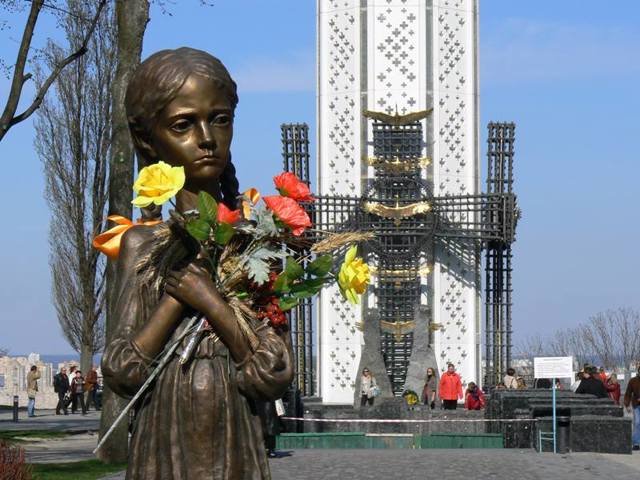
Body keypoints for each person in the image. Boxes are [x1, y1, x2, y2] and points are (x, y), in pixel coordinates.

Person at [101, 48, 294, 479]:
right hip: (163, 436)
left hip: (235, 435)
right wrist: (175, 300)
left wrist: (211, 302)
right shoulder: (141, 244)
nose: (206, 138)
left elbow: (275, 370)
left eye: (220, 119)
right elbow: (120, 369)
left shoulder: (256, 241)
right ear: (148, 139)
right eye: (183, 124)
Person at [623, 366, 640, 451]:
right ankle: (636, 443)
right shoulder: (633, 381)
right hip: (636, 404)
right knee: (637, 422)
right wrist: (627, 404)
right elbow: (628, 393)